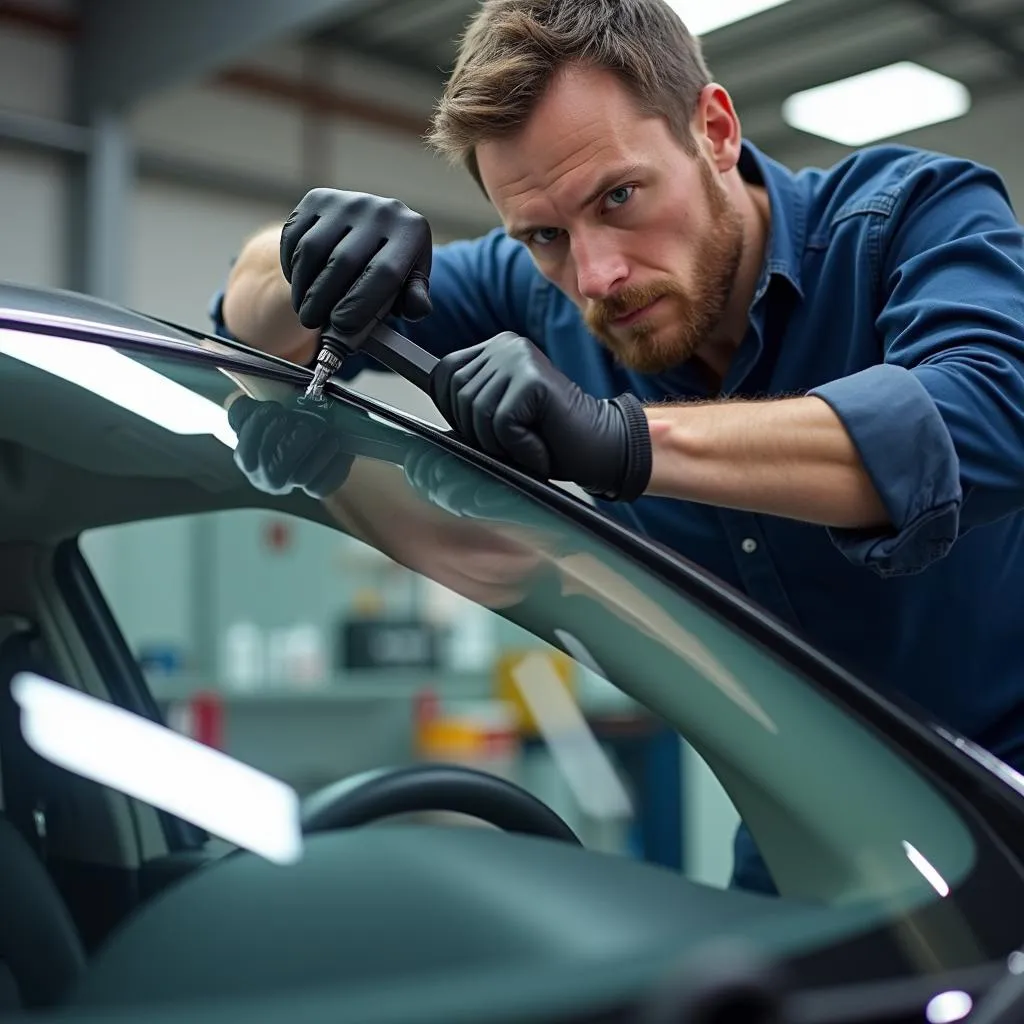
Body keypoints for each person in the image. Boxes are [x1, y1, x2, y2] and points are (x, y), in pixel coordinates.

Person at [211, 0, 1024, 894]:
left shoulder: (911, 215)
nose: (596, 277)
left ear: (713, 129)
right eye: (546, 236)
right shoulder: (529, 287)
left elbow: (986, 415)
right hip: (804, 838)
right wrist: (302, 257)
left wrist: (624, 440)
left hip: (1005, 797)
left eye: (620, 198)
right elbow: (249, 332)